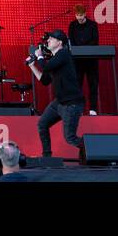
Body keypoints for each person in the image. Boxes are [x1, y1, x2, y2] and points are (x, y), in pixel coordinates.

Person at [27, 29, 84, 157]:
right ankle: (47, 156)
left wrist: (40, 55)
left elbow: (46, 67)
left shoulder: (64, 54)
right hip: (59, 102)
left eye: (51, 39)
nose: (48, 41)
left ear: (59, 42)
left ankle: (94, 148)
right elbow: (44, 80)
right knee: (42, 124)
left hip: (71, 103)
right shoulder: (55, 60)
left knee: (70, 138)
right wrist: (32, 66)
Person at [68, 4, 100, 114]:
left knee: (93, 84)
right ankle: (79, 109)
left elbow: (95, 40)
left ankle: (93, 109)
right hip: (78, 60)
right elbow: (71, 40)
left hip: (91, 60)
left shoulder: (92, 25)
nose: (79, 17)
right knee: (77, 85)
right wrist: (78, 50)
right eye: (77, 15)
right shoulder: (72, 25)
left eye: (81, 15)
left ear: (85, 14)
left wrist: (85, 48)